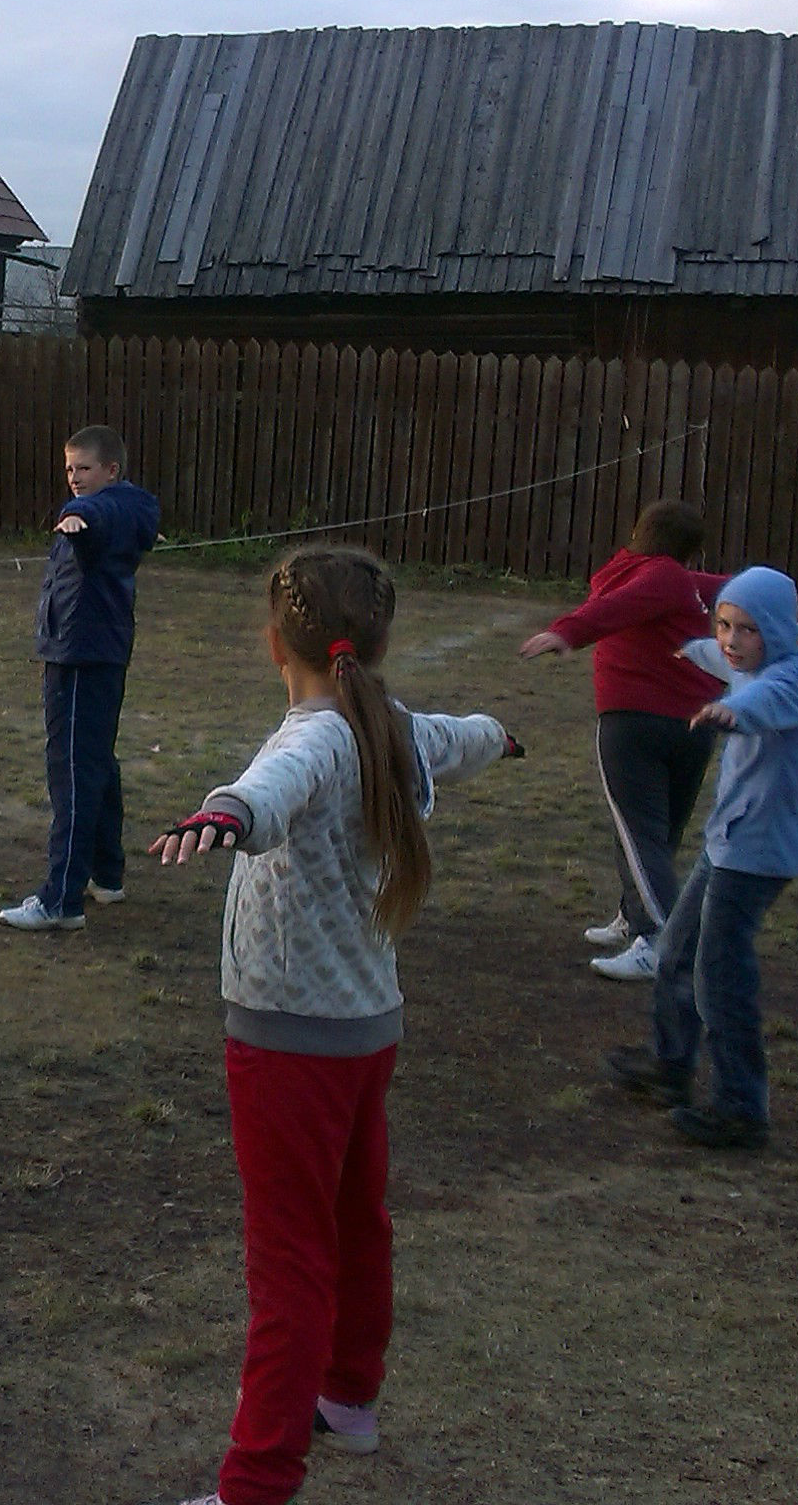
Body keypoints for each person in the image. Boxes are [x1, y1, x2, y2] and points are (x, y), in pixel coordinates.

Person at [147, 546, 519, 1505]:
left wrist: (226, 809)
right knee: (357, 1221)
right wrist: (500, 733)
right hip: (364, 1032)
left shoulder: (316, 735)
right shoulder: (388, 725)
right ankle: (349, 1398)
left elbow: (275, 785)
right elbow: (458, 734)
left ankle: (257, 1481)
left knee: (290, 1261)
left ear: (276, 642)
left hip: (289, 1043)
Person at [600, 567, 798, 1150]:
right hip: (728, 842)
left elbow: (760, 702)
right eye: (724, 624)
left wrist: (731, 714)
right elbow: (715, 656)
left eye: (746, 629)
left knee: (719, 971)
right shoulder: (741, 661)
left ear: (776, 630)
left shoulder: (790, 681)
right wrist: (686, 646)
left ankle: (741, 1107)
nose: (731, 639)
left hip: (757, 854)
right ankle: (671, 1065)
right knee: (676, 949)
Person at [517, 498, 728, 981]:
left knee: (644, 833)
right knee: (649, 832)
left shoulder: (662, 578)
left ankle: (659, 940)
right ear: (691, 550)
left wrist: (565, 633)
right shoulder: (675, 580)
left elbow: (614, 605)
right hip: (688, 725)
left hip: (636, 724)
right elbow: (617, 607)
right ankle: (637, 918)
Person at [0, 424, 161, 934]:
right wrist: (79, 516)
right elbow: (114, 518)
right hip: (89, 652)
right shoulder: (114, 513)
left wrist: (78, 516)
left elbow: (104, 512)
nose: (74, 478)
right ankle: (105, 874)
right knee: (95, 762)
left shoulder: (105, 509)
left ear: (111, 471)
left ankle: (61, 899)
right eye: (69, 469)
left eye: (84, 469)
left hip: (82, 657)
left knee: (72, 768)